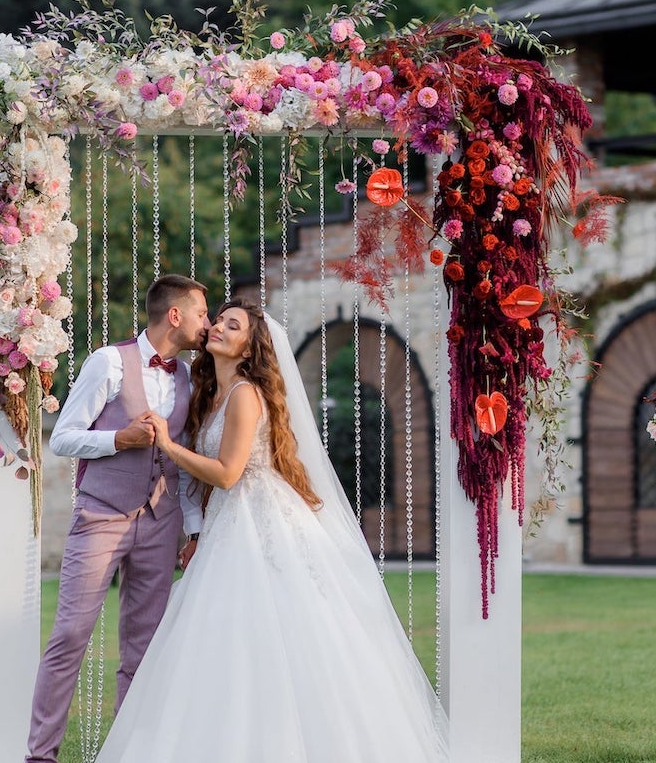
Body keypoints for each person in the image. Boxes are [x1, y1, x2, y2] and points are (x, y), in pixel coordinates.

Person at [94, 298, 449, 762]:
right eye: (218, 320)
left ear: (248, 348)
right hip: (226, 525)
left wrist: (165, 444)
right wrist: (196, 531)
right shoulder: (211, 393)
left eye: (232, 325)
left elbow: (226, 473)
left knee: (280, 633)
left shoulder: (244, 394)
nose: (218, 327)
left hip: (260, 524)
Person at [26, 274, 211, 763]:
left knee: (143, 647)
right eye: (202, 314)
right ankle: (40, 756)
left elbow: (182, 460)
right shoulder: (107, 362)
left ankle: (127, 753)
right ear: (176, 315)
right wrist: (119, 441)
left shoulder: (189, 377)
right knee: (70, 635)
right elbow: (62, 438)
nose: (206, 325)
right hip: (102, 514)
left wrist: (192, 529)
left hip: (161, 520)